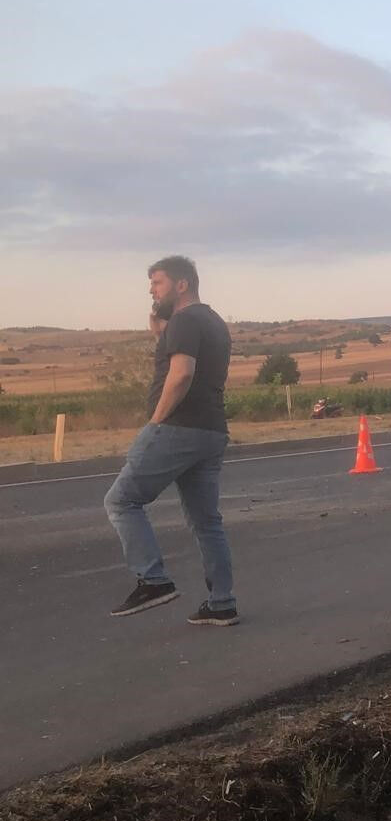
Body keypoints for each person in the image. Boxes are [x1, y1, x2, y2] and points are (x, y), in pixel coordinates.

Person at [104, 256, 238, 625]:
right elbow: (190, 359)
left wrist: (156, 422)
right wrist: (161, 335)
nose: (151, 289)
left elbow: (181, 375)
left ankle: (153, 579)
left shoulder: (185, 319)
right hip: (212, 430)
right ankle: (222, 602)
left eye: (157, 282)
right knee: (206, 522)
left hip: (178, 428)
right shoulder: (211, 321)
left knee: (121, 500)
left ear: (182, 284)